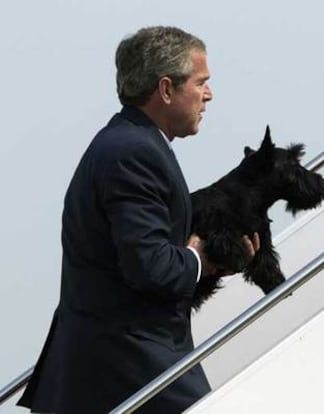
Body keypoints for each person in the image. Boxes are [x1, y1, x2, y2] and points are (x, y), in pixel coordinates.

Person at [17, 26, 260, 414]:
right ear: (166, 89)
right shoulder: (133, 153)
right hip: (130, 369)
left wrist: (212, 263)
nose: (209, 95)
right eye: (201, 83)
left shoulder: (128, 143)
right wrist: (198, 255)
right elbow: (150, 267)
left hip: (119, 367)